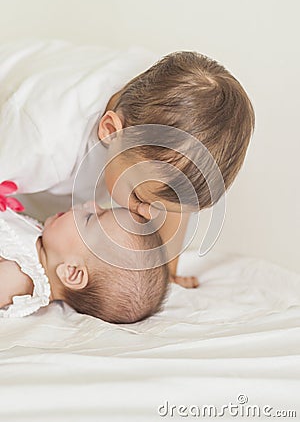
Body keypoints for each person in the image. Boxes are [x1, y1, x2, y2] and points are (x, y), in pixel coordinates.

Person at [0, 41, 255, 287]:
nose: (147, 214)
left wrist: (166, 274)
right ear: (110, 131)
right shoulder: (42, 139)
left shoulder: (154, 113)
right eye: (141, 199)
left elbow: (173, 200)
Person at [0, 202, 169, 323]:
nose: (91, 203)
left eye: (90, 218)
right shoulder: (40, 243)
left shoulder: (19, 277)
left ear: (72, 272)